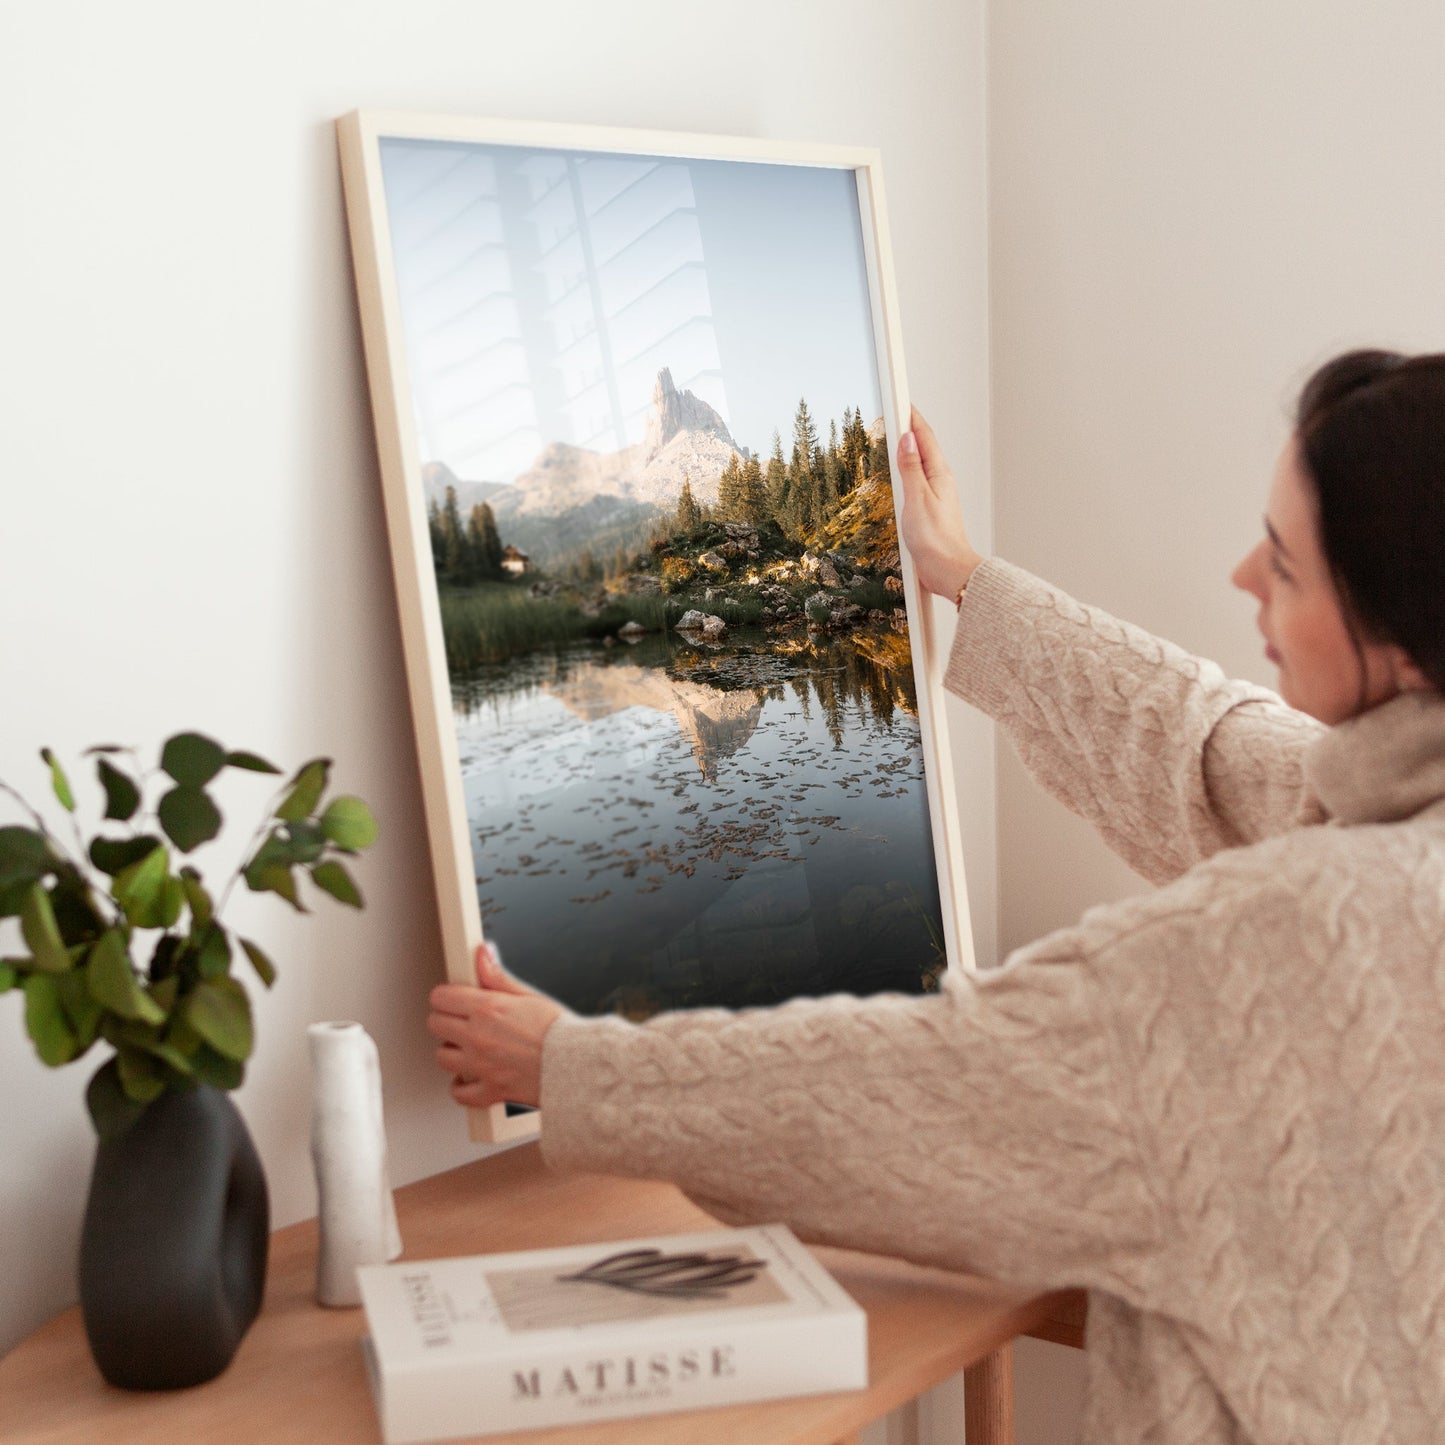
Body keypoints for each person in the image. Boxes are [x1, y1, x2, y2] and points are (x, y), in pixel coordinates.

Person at [428, 349, 1445, 1444]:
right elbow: (1205, 746)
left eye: (1286, 565)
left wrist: (569, 1066)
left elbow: (923, 1088)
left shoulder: (1288, 937)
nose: (1243, 573)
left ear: (1396, 640)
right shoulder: (1393, 816)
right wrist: (962, 576)